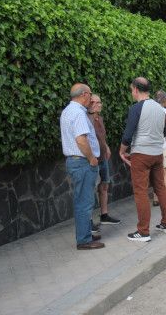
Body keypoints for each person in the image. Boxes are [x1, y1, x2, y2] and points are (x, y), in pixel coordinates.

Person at [120, 77, 166, 242]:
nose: (131, 92)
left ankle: (143, 231)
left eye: (131, 89)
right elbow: (165, 132)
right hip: (157, 154)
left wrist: (122, 151)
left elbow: (128, 134)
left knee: (141, 191)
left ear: (136, 89)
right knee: (161, 188)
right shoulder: (159, 108)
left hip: (141, 154)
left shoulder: (136, 108)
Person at [60, 83, 104, 250]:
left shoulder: (68, 111)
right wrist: (92, 158)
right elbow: (81, 140)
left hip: (76, 161)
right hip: (82, 162)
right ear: (84, 94)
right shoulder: (78, 113)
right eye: (90, 94)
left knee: (83, 200)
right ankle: (84, 240)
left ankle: (85, 234)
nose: (92, 98)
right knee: (84, 202)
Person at [87, 94, 121, 226]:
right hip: (93, 159)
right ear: (89, 104)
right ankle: (88, 221)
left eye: (99, 102)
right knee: (90, 189)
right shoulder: (86, 119)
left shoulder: (99, 118)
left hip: (103, 158)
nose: (98, 104)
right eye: (95, 102)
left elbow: (100, 137)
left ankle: (104, 215)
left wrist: (106, 146)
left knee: (105, 185)